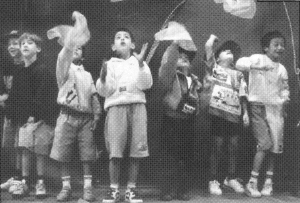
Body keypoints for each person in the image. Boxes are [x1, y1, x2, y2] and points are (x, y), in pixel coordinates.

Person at [48, 11, 101, 202]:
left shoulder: (87, 75)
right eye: (73, 47)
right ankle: (66, 187)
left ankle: (87, 189)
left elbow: (94, 96)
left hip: (86, 119)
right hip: (66, 116)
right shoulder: (63, 69)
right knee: (63, 153)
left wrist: (96, 115)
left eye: (80, 48)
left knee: (87, 154)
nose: (76, 49)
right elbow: (64, 55)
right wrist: (75, 33)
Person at [96, 27, 152, 203]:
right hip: (116, 108)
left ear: (133, 44)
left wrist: (142, 64)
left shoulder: (139, 62)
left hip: (137, 107)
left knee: (137, 149)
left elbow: (146, 84)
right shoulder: (109, 64)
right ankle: (114, 190)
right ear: (113, 46)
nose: (122, 39)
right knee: (115, 151)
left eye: (126, 37)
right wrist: (103, 78)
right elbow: (106, 91)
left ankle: (131, 190)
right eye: (118, 37)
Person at [3, 32, 59, 199]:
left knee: (40, 149)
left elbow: (43, 96)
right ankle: (24, 182)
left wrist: (34, 116)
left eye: (30, 43)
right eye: (22, 44)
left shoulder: (43, 70)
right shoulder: (19, 72)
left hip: (42, 118)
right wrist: (13, 114)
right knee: (25, 147)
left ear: (38, 48)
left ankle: (40, 181)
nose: (25, 45)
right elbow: (14, 97)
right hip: (24, 119)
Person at [235, 30, 289, 198]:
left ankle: (268, 182)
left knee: (274, 146)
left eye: (282, 45)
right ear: (266, 48)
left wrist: (284, 100)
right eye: (276, 44)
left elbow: (285, 90)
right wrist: (258, 66)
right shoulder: (258, 58)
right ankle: (252, 182)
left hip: (276, 110)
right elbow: (239, 63)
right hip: (258, 107)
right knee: (264, 144)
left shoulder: (282, 69)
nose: (280, 47)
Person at [204, 34, 249, 195]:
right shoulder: (214, 68)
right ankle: (213, 179)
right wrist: (211, 40)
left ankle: (230, 178)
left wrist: (245, 114)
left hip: (234, 115)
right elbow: (208, 49)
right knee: (217, 147)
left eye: (231, 52)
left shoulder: (239, 74)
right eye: (225, 51)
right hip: (218, 114)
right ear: (217, 56)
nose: (229, 52)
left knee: (233, 147)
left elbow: (243, 95)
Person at [157, 40, 200, 201]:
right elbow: (167, 65)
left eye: (187, 58)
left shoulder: (194, 80)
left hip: (188, 122)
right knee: (169, 156)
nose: (184, 58)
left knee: (186, 157)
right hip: (171, 121)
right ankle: (166, 189)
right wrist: (174, 47)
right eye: (179, 56)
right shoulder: (170, 75)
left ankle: (182, 190)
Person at [0, 30, 23, 192]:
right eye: (9, 44)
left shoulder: (27, 65)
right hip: (9, 112)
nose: (11, 47)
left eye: (15, 43)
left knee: (21, 145)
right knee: (9, 145)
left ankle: (23, 179)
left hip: (23, 112)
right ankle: (15, 177)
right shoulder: (7, 65)